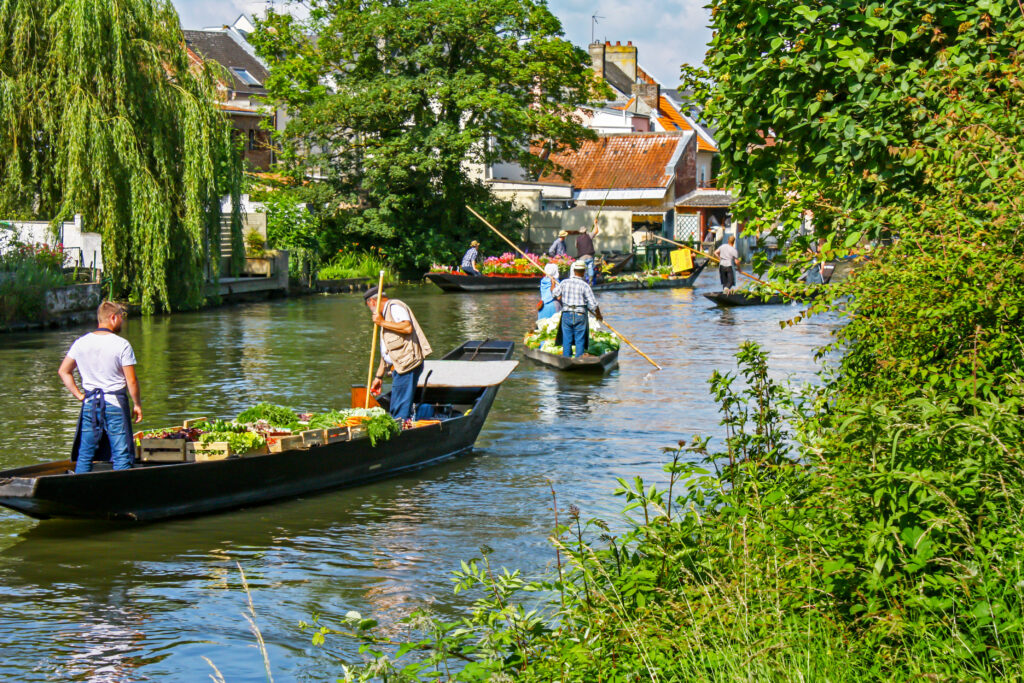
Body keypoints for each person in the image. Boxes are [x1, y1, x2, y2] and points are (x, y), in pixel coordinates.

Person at [57, 301, 142, 473]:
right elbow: (131, 380)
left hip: (90, 403)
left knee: (85, 453)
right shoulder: (122, 345)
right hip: (115, 404)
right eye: (121, 318)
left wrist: (80, 396)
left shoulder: (81, 343)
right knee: (121, 453)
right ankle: (121, 489)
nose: (122, 322)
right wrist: (137, 405)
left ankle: (80, 488)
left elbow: (63, 371)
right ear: (113, 317)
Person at [366, 287, 433, 421]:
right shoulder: (384, 316)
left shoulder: (395, 307)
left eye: (369, 307)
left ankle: (401, 433)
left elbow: (407, 327)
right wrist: (379, 377)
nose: (371, 312)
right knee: (397, 406)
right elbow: (387, 352)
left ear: (372, 302)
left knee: (399, 409)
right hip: (399, 366)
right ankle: (403, 424)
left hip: (407, 365)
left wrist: (381, 322)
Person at [552, 260, 602, 358]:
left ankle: (566, 359)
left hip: (567, 314)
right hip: (580, 315)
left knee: (567, 339)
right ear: (584, 272)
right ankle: (579, 359)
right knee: (580, 340)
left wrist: (553, 284)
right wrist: (598, 314)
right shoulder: (585, 286)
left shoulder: (564, 283)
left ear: (574, 271)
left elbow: (554, 294)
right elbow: (593, 304)